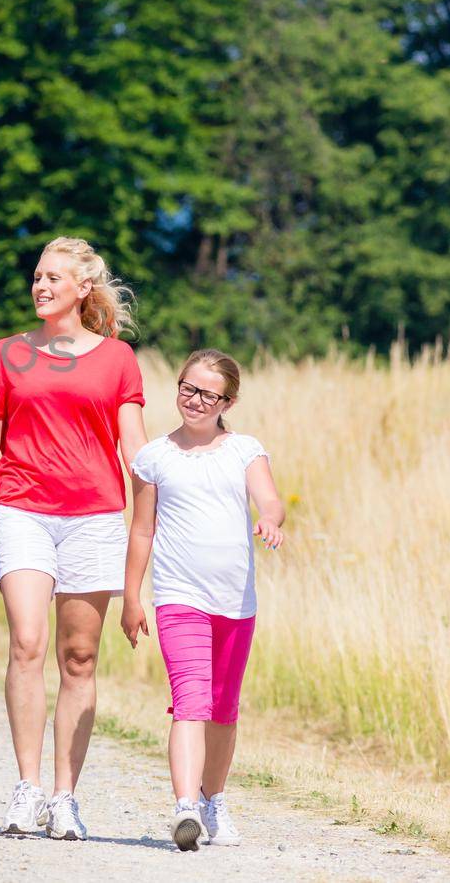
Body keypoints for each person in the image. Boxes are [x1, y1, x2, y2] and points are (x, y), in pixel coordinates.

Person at [0, 237, 149, 841]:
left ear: (83, 288)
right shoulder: (8, 355)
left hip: (94, 517)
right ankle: (26, 786)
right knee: (28, 643)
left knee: (79, 658)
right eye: (36, 276)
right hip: (22, 510)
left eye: (54, 277)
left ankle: (65, 796)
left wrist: (164, 504)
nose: (40, 286)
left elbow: (134, 448)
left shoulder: (117, 359)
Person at [121, 349, 285, 851]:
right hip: (179, 597)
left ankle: (213, 800)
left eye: (207, 394)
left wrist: (271, 520)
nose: (194, 401)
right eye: (187, 388)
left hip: (236, 602)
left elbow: (270, 498)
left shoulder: (244, 450)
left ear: (227, 401)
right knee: (190, 701)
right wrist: (132, 595)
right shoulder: (153, 457)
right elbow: (142, 530)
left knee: (223, 709)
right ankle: (186, 807)